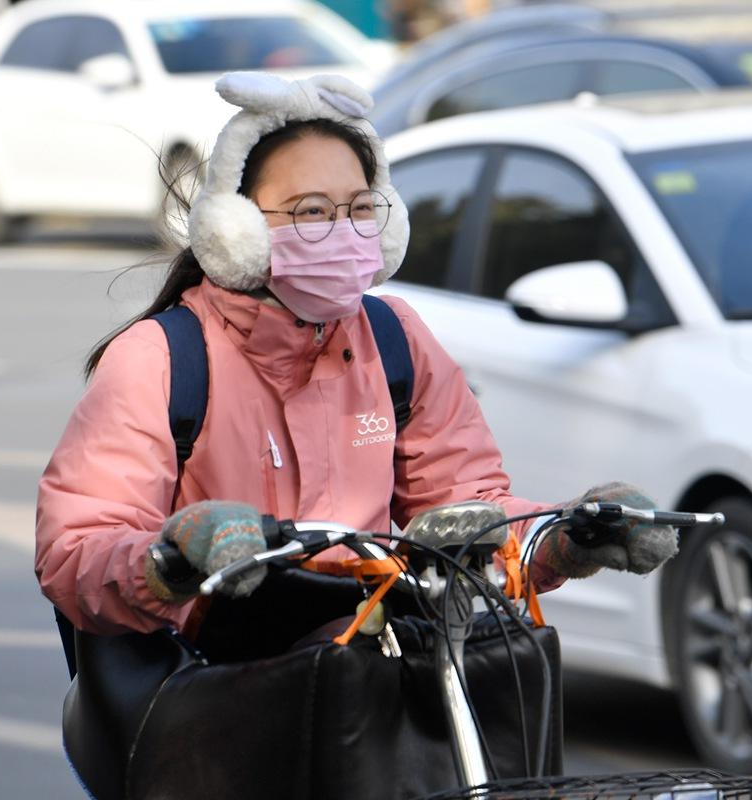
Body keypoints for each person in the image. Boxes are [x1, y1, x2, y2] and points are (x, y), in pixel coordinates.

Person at [33, 70, 676, 644]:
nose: (340, 231)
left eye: (360, 209)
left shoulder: (396, 336)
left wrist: (566, 537)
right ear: (236, 229)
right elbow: (77, 551)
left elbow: (463, 516)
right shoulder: (158, 358)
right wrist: (172, 560)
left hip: (375, 677)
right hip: (219, 694)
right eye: (311, 212)